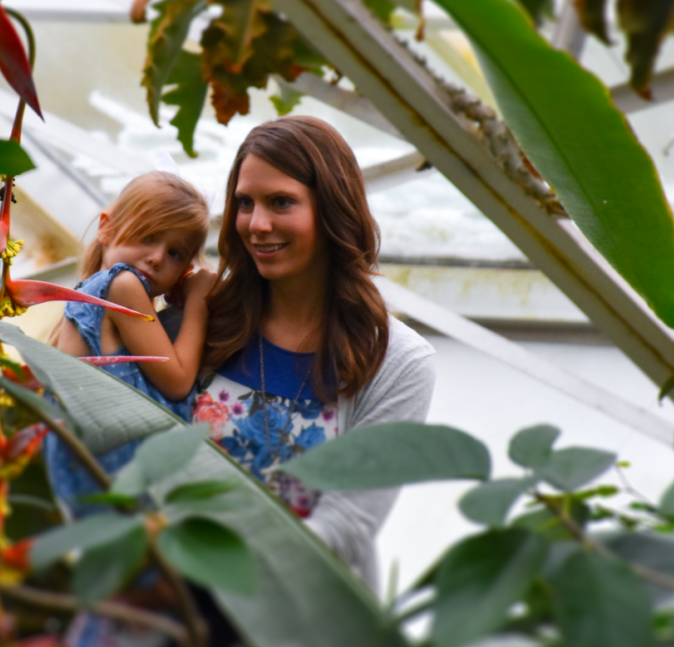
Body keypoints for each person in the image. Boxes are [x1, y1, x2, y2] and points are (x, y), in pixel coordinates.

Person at [195, 115, 436, 591]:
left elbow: (345, 526)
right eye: (245, 203)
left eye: (281, 202)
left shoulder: (398, 362)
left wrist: (210, 574)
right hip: (161, 606)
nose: (257, 224)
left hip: (297, 621)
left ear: (331, 209)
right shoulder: (203, 320)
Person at [44, 171, 215, 518]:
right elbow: (179, 381)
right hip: (116, 481)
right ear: (106, 227)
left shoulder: (88, 290)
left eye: (176, 253)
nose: (157, 258)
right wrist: (200, 301)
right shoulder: (123, 286)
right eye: (148, 236)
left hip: (87, 479)